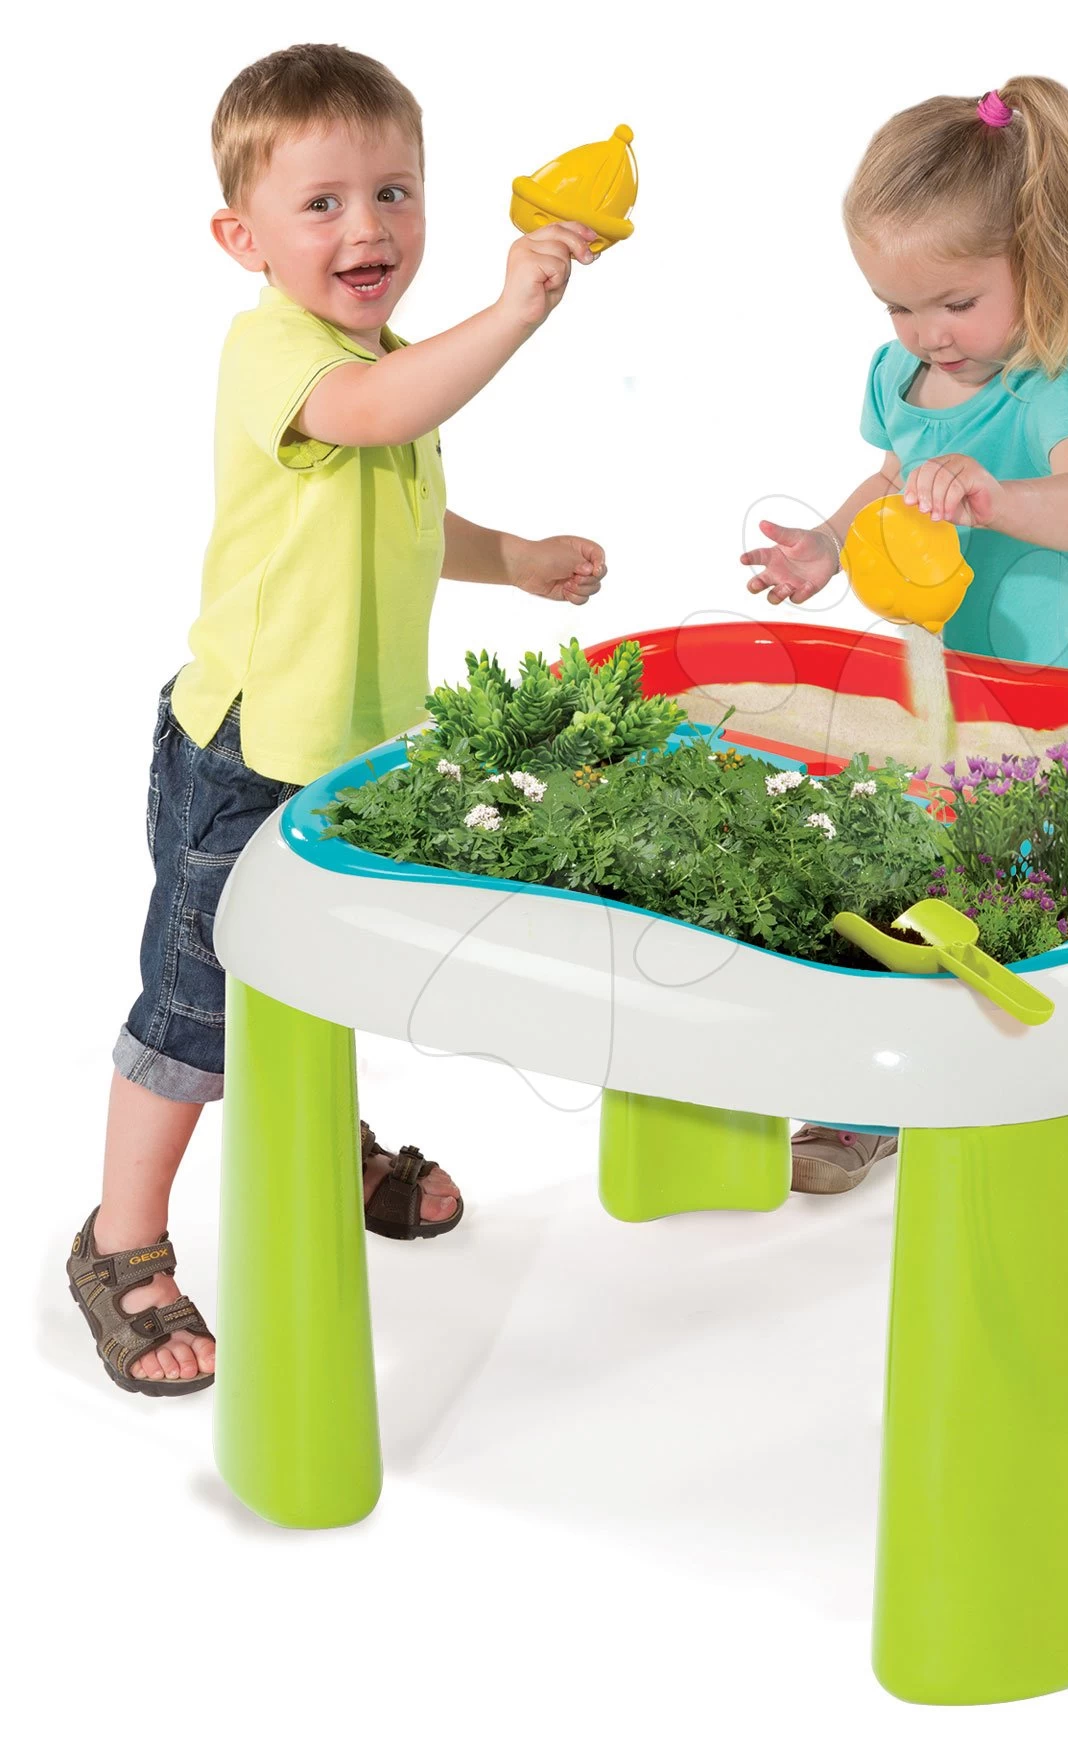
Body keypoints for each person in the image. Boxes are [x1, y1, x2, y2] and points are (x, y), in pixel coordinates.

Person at [69, 43, 611, 1394]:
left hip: (348, 759)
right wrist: (513, 315)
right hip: (243, 752)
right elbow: (366, 418)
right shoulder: (277, 352)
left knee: (314, 969)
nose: (365, 226)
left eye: (393, 192)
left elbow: (402, 509)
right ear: (241, 238)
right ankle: (119, 1242)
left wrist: (514, 556)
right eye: (321, 203)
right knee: (194, 1009)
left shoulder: (391, 362)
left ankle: (317, 1137)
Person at [740, 76, 1068, 1194]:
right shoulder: (903, 376)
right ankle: (873, 1094)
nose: (927, 333)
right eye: (897, 306)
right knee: (906, 878)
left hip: (1049, 700)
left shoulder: (1056, 386)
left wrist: (997, 498)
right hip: (932, 694)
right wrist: (826, 546)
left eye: (956, 302)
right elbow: (888, 479)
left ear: (1040, 260)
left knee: (1056, 890)